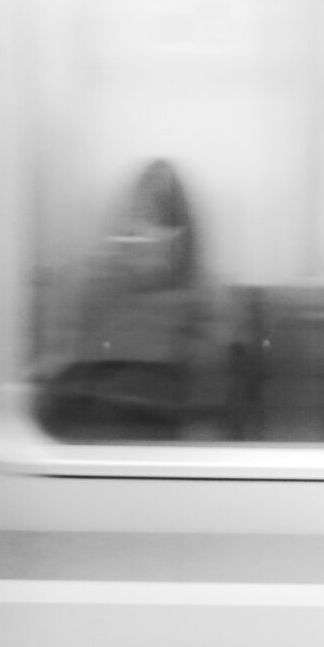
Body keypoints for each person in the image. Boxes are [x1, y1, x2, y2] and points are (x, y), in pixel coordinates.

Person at [34, 159, 224, 441]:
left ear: (180, 233)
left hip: (165, 439)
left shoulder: (203, 298)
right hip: (95, 436)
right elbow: (64, 377)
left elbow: (209, 399)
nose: (144, 234)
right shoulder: (95, 286)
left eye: (159, 222)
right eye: (137, 220)